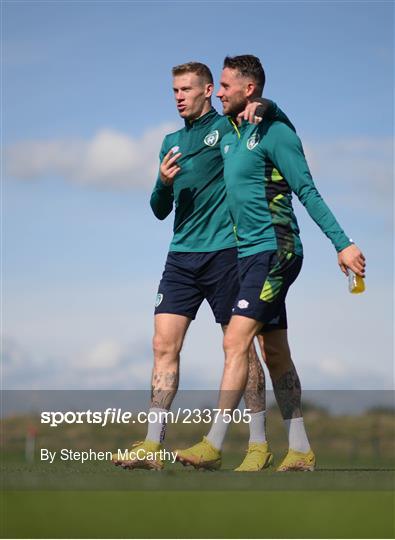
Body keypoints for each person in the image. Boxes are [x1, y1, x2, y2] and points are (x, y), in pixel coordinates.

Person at [175, 55, 366, 472]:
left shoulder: (277, 134)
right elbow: (203, 126)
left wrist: (343, 244)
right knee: (274, 352)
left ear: (249, 90)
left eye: (225, 86)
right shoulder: (229, 131)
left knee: (234, 342)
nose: (218, 92)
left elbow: (308, 192)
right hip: (247, 256)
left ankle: (214, 443)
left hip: (275, 251)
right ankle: (299, 450)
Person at [112, 62, 289, 471]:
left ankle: (258, 444)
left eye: (186, 89)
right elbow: (159, 210)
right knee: (162, 346)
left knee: (241, 349)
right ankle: (152, 445)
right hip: (181, 257)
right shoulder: (170, 141)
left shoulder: (228, 127)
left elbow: (261, 109)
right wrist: (162, 182)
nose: (178, 96)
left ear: (208, 90)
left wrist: (262, 103)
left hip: (228, 254)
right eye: (174, 90)